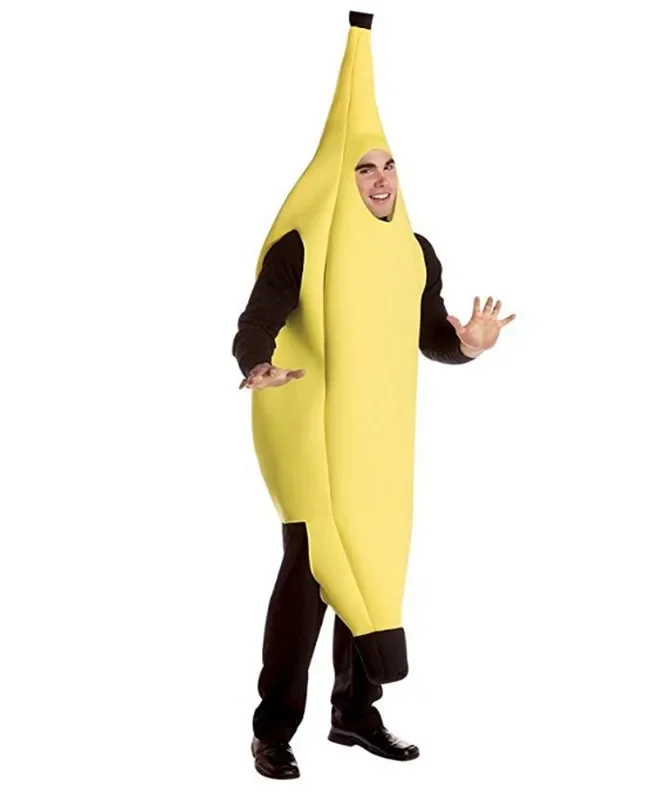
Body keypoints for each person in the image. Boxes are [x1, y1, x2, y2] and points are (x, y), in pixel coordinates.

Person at [233, 147, 515, 779]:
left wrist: (469, 346)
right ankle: (272, 732)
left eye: (388, 166)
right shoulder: (303, 246)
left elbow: (430, 336)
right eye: (363, 168)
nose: (380, 179)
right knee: (308, 576)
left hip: (378, 438)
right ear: (340, 177)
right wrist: (257, 364)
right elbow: (258, 318)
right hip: (308, 430)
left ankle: (355, 713)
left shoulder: (414, 251)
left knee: (373, 563)